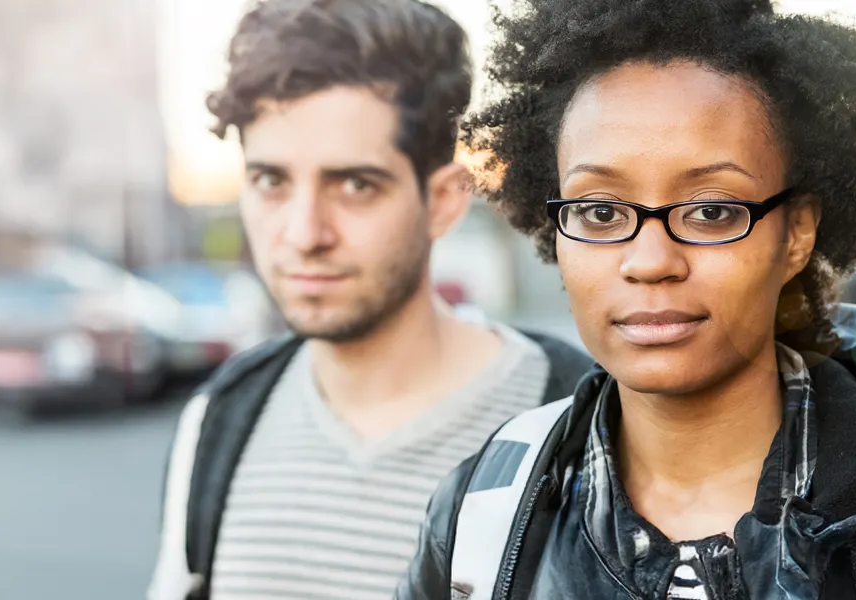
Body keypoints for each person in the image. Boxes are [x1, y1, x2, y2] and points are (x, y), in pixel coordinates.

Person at [396, 0, 856, 599]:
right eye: (600, 211)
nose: (651, 261)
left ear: (795, 234)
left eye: (712, 211)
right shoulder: (488, 513)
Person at [146, 1, 595, 599]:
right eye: (271, 181)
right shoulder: (221, 417)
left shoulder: (580, 428)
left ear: (443, 201)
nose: (304, 233)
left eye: (355, 184)